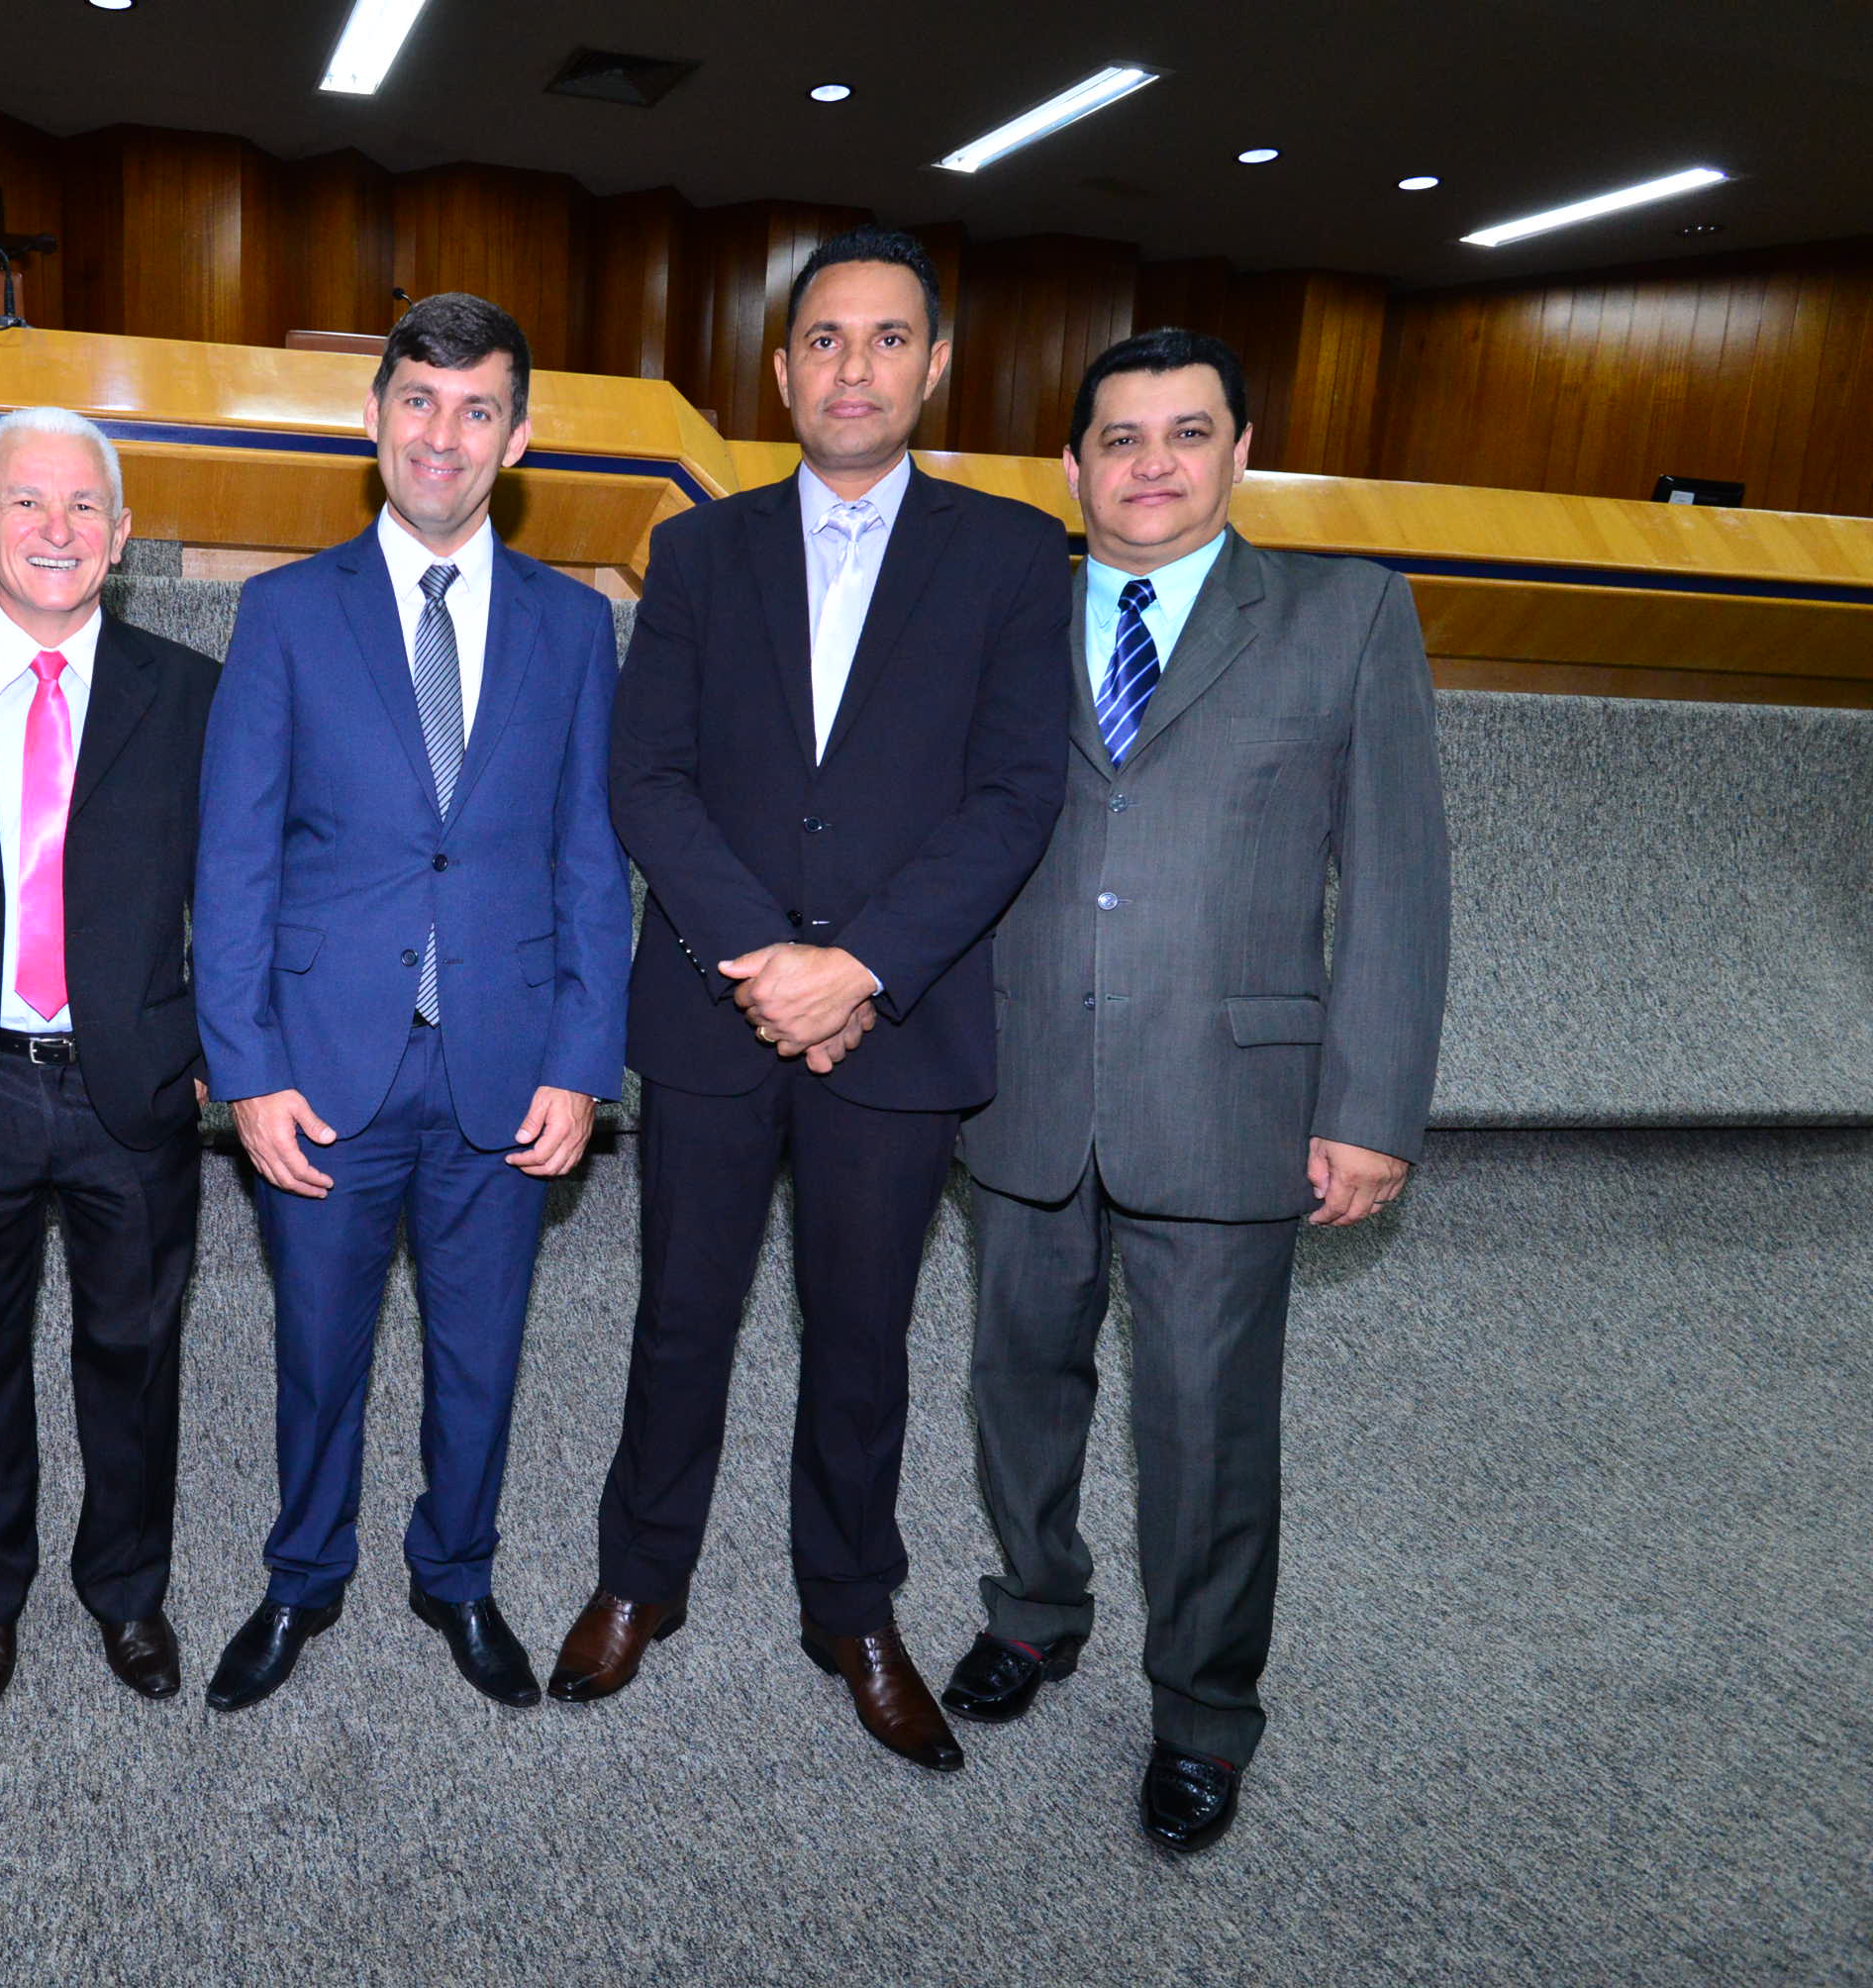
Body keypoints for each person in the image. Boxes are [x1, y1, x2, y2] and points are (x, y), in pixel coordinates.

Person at [548, 226, 1070, 1774]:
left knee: (863, 1337)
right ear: (782, 372)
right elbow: (648, 777)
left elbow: (1014, 794)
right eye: (826, 340)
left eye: (888, 338)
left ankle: (850, 1607)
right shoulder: (701, 551)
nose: (856, 367)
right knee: (679, 1319)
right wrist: (767, 960)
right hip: (714, 1008)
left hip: (899, 1018)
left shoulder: (1010, 555)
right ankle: (641, 1577)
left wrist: (858, 967)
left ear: (935, 365)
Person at [944, 326, 1449, 1851]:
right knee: (1016, 1383)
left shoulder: (1347, 615)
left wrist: (1371, 1106)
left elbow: (1401, 881)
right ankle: (1035, 1610)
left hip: (1232, 1097)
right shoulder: (998, 616)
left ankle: (1204, 1712)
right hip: (1021, 1079)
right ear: (1071, 466)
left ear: (1242, 451)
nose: (1150, 464)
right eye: (1119, 437)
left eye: (1185, 433)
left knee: (1208, 1428)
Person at [193, 292, 631, 1712]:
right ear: (373, 415)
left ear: (519, 436)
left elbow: (590, 857)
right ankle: (302, 1577)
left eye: (477, 409)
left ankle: (457, 1573)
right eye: (420, 403)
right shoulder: (283, 612)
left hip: (507, 1060)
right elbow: (236, 860)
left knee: (480, 1354)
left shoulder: (575, 625)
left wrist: (585, 1059)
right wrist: (246, 1069)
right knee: (317, 1352)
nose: (444, 435)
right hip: (324, 1064)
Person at [0, 408, 220, 1716]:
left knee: (134, 1354)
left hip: (136, 1089)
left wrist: (210, 1046)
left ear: (122, 537)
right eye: (26, 502)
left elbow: (247, 890)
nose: (55, 529)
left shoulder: (193, 694)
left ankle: (127, 1589)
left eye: (83, 508)